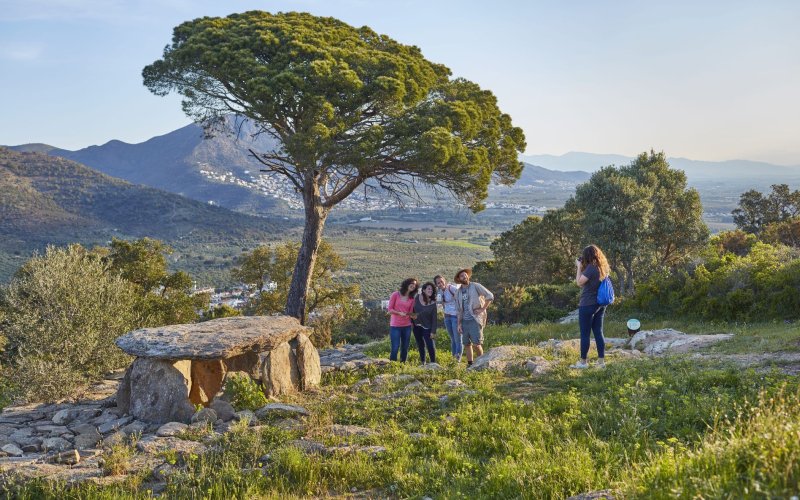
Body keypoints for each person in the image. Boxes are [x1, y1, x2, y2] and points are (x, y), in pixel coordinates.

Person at [571, 244, 611, 369]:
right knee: (598, 332)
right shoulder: (602, 268)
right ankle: (601, 362)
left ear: (587, 256)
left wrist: (578, 267)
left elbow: (579, 282)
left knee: (585, 334)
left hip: (587, 304)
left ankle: (583, 362)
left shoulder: (591, 268)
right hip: (600, 304)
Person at [454, 268, 493, 367]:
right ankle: (470, 364)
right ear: (459, 279)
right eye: (462, 275)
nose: (465, 276)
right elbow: (458, 310)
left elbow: (490, 296)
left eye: (465, 274)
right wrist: (458, 324)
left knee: (477, 344)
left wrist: (482, 309)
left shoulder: (475, 286)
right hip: (464, 321)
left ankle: (482, 363)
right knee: (467, 344)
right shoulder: (458, 292)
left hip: (475, 319)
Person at [387, 277, 417, 362]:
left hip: (407, 326)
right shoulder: (395, 294)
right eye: (412, 283)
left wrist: (413, 316)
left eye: (415, 285)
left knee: (405, 347)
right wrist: (399, 313)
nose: (413, 285)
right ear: (407, 284)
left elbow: (410, 312)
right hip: (395, 326)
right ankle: (392, 365)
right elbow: (390, 309)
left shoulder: (412, 299)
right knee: (395, 347)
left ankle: (403, 365)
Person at [435, 274, 462, 362]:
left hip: (455, 316)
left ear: (445, 280)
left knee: (458, 339)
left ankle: (458, 359)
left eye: (441, 281)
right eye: (438, 283)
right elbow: (443, 303)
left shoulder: (451, 288)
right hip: (447, 317)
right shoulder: (440, 292)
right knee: (453, 339)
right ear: (436, 284)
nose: (440, 283)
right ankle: (453, 358)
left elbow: (461, 296)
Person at [413, 281, 438, 364]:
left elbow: (434, 319)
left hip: (428, 327)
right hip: (416, 326)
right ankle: (423, 362)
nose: (431, 290)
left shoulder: (433, 303)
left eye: (432, 289)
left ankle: (433, 363)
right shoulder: (417, 297)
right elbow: (411, 309)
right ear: (423, 290)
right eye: (429, 289)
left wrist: (433, 331)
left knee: (430, 345)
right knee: (420, 345)